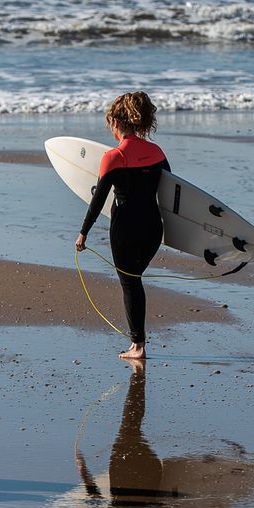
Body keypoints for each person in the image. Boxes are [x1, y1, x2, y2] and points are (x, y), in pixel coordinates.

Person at [74, 91, 170, 361]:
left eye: (111, 123)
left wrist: (83, 233)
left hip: (125, 229)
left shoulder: (114, 156)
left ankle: (137, 346)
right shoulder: (157, 152)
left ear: (117, 121)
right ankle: (137, 342)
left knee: (130, 284)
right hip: (153, 228)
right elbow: (173, 193)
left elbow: (98, 200)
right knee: (134, 281)